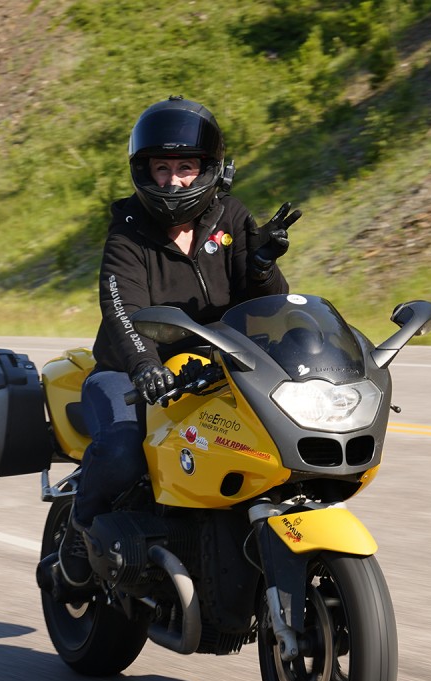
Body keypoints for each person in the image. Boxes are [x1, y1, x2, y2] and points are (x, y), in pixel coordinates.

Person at [57, 95, 301, 586]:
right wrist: (145, 365)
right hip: (129, 373)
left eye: (186, 167)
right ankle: (81, 530)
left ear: (209, 169)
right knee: (125, 447)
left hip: (218, 370)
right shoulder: (128, 231)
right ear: (143, 171)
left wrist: (261, 265)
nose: (174, 180)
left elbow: (268, 306)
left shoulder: (231, 217)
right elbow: (120, 307)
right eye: (162, 167)